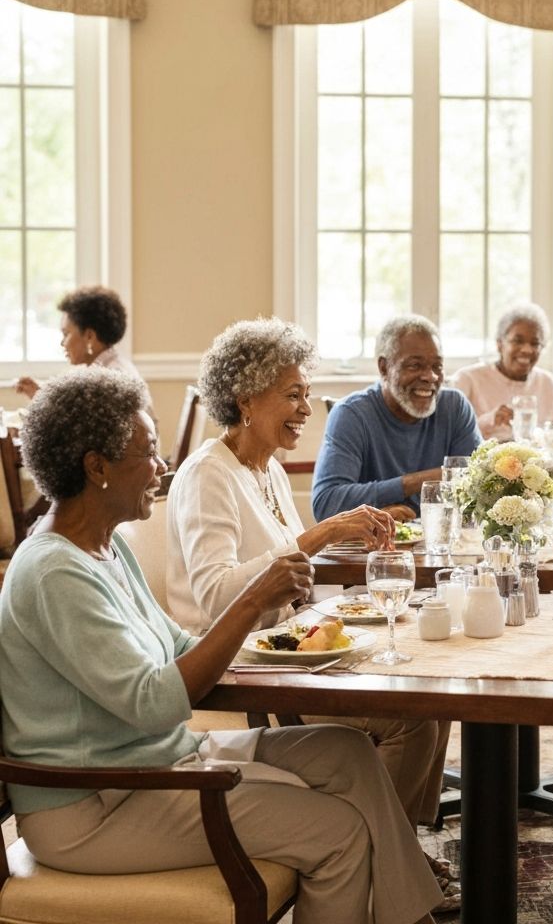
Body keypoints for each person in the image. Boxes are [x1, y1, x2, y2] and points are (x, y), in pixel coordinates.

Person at [0, 369, 441, 924]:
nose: (162, 467)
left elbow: (180, 644)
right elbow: (156, 702)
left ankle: (405, 917)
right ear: (97, 467)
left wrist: (291, 646)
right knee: (340, 834)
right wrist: (254, 600)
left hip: (153, 765)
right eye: (149, 452)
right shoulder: (52, 574)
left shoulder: (105, 549)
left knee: (346, 754)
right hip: (95, 806)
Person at [166, 319, 454, 877]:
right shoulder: (208, 475)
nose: (305, 408)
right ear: (246, 400)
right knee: (411, 718)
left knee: (429, 692)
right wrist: (322, 533)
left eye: (306, 393)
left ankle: (395, 847)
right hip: (237, 661)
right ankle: (386, 862)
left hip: (288, 644)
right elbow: (216, 597)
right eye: (292, 395)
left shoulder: (265, 466)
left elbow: (296, 579)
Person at [312, 314, 481, 520]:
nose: (430, 376)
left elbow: (479, 485)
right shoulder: (351, 414)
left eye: (437, 366)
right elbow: (327, 503)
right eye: (415, 366)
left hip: (442, 542)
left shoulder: (454, 406)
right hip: (371, 548)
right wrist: (419, 482)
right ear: (384, 368)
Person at [14, 285, 154, 419]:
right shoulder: (111, 367)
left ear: (89, 336)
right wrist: (42, 394)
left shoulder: (108, 381)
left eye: (66, 334)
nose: (62, 343)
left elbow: (80, 432)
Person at [449, 303, 553, 440]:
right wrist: (488, 421)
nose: (527, 350)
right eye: (517, 341)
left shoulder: (548, 383)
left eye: (535, 343)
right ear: (499, 344)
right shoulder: (467, 379)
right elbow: (450, 436)